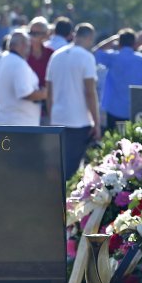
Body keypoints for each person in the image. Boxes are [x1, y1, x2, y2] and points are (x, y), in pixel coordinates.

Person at [46, 23, 100, 181]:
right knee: (72, 170)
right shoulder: (87, 57)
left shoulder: (55, 55)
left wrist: (52, 115)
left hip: (58, 118)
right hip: (78, 121)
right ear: (89, 38)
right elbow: (90, 92)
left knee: (58, 166)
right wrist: (96, 122)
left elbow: (49, 91)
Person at [94, 28, 142, 130]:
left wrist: (112, 38)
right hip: (134, 109)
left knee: (112, 142)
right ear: (134, 43)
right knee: (132, 144)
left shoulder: (112, 56)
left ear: (119, 43)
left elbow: (96, 51)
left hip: (113, 108)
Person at [0, 30, 47, 126]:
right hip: (19, 124)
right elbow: (25, 93)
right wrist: (44, 94)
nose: (29, 50)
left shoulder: (0, 58)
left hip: (4, 120)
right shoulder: (18, 63)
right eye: (29, 46)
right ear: (22, 45)